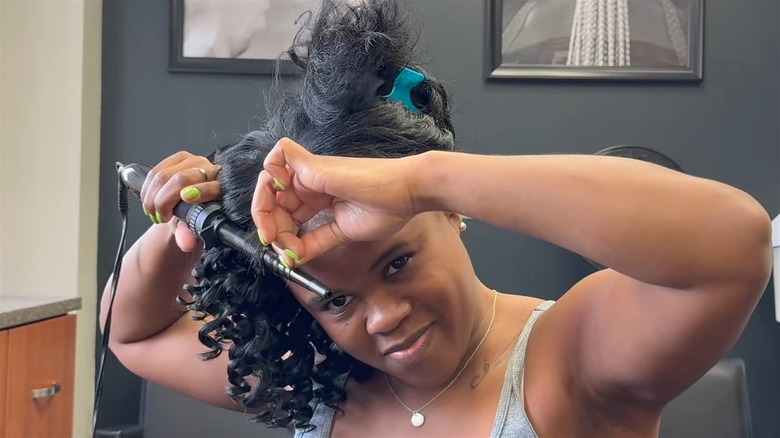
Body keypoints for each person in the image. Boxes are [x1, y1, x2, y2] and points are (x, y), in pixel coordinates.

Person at [100, 1, 773, 436]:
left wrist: (423, 176)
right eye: (335, 300)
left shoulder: (570, 362)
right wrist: (184, 227)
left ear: (451, 214)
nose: (383, 315)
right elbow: (129, 335)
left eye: (397, 262)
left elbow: (735, 245)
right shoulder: (318, 388)